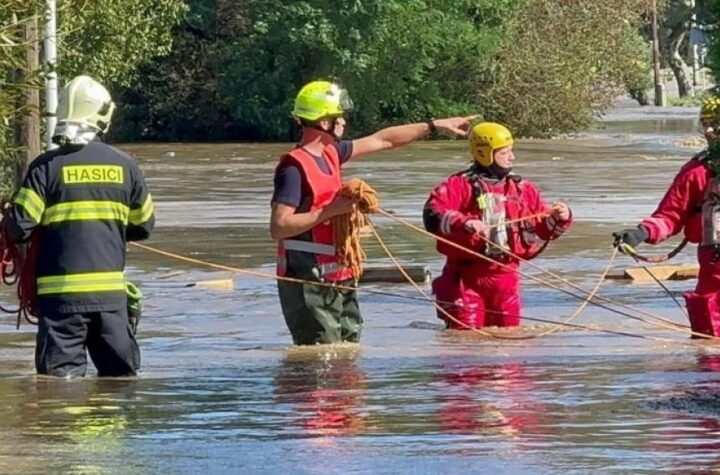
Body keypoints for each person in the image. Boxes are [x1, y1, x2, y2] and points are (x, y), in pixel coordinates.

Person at [270, 79, 474, 345]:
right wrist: (331, 210)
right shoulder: (293, 168)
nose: (344, 121)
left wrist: (434, 125)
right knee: (320, 358)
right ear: (323, 123)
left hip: (339, 273)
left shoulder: (333, 152)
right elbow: (279, 226)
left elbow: (384, 140)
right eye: (338, 116)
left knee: (348, 353)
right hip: (307, 279)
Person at [4, 75, 155, 377]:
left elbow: (19, 227)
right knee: (119, 383)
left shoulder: (45, 168)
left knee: (59, 389)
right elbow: (143, 225)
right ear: (102, 114)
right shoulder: (126, 166)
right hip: (110, 302)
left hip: (61, 305)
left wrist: (10, 211)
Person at [423, 122, 572, 329]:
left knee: (510, 341)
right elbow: (432, 215)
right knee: (465, 342)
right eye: (505, 152)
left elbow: (542, 230)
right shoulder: (458, 185)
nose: (512, 157)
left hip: (506, 277)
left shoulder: (523, 189)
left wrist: (561, 217)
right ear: (485, 154)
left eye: (511, 151)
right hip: (464, 277)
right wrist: (464, 222)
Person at [612, 94, 720, 337]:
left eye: (716, 123)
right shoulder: (696, 172)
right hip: (713, 276)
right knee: (709, 357)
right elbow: (669, 216)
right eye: (706, 124)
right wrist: (641, 233)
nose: (710, 130)